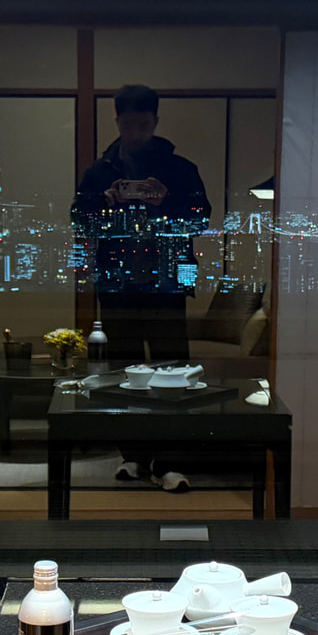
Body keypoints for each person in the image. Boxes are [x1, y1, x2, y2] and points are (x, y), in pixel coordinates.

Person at [72, 83, 211, 492]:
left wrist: (166, 201)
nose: (135, 133)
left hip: (168, 286)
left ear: (155, 122)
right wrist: (104, 202)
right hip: (117, 286)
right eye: (128, 125)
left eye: (143, 125)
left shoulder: (181, 169)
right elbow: (79, 219)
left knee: (172, 373)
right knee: (123, 373)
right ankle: (132, 455)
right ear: (117, 121)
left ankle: (168, 461)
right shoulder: (100, 172)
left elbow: (201, 219)